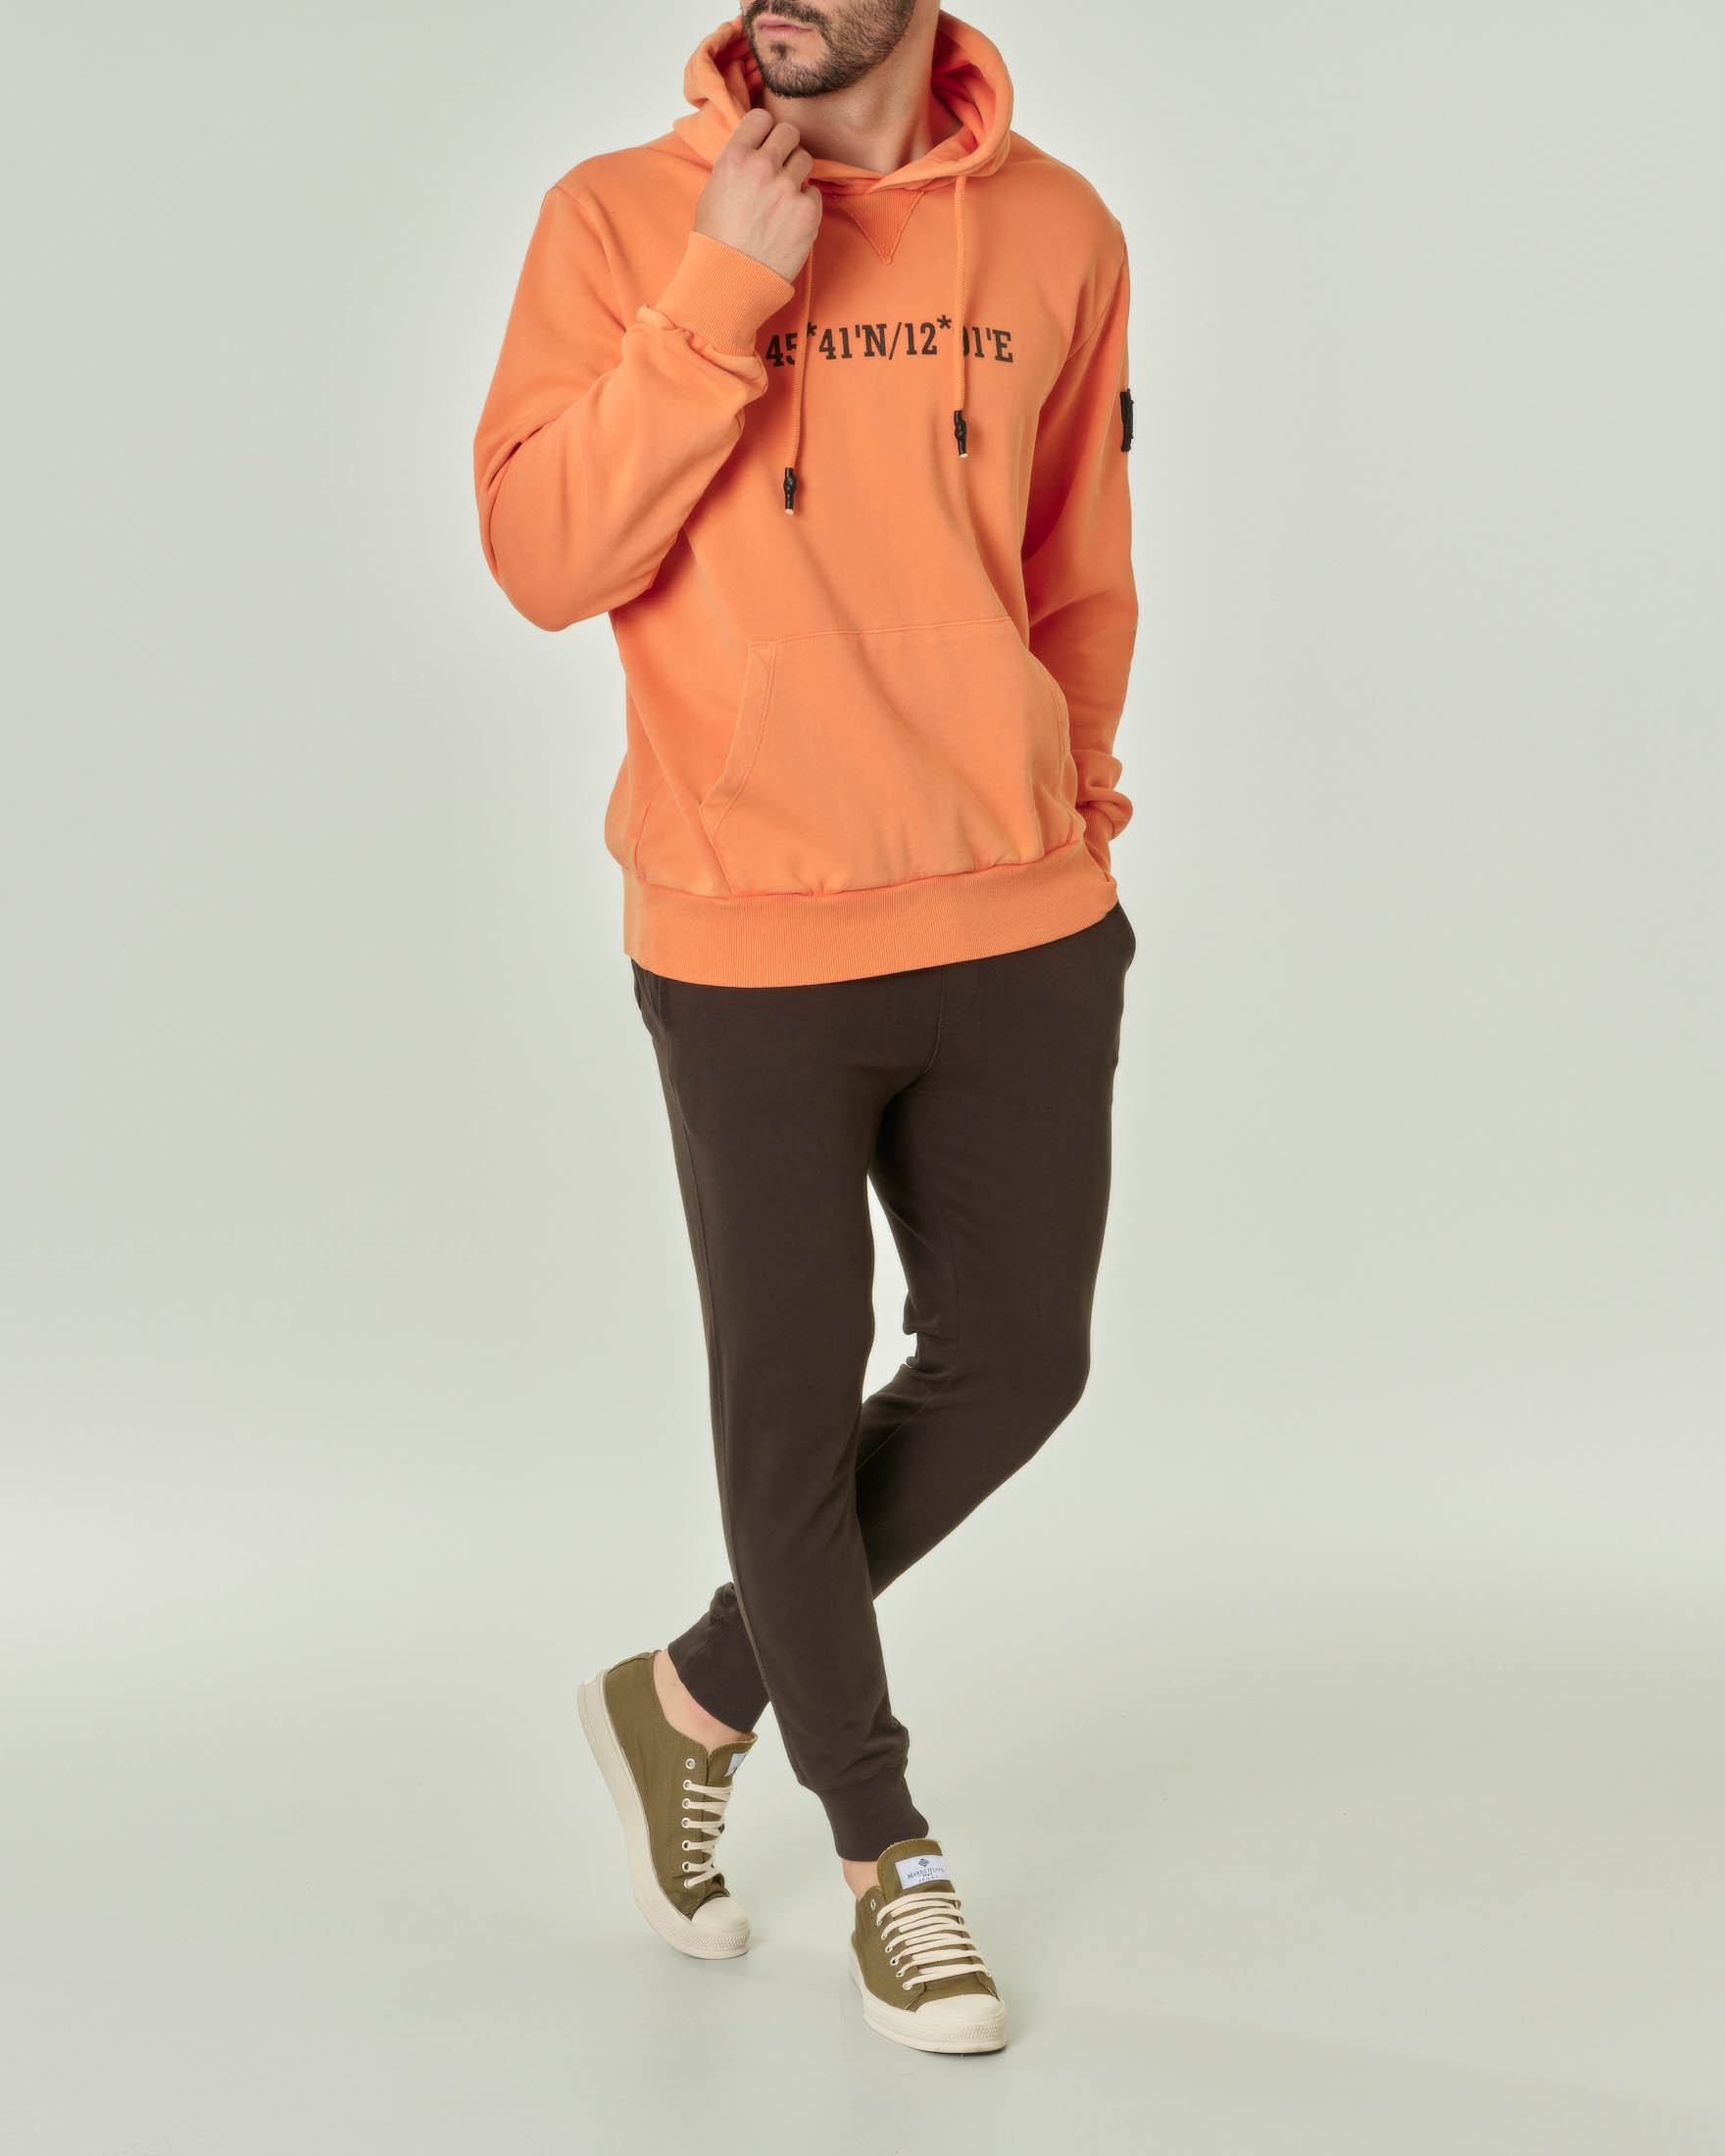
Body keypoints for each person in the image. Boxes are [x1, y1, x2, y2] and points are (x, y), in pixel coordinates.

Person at [472, 0, 1137, 2056]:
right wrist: (718, 295)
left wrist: (1075, 805)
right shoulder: (618, 219)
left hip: (1019, 907)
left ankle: (686, 1693)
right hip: (749, 926)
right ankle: (884, 1850)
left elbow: (1076, 562)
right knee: (788, 1405)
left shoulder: (1059, 228)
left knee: (1020, 1362)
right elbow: (543, 558)